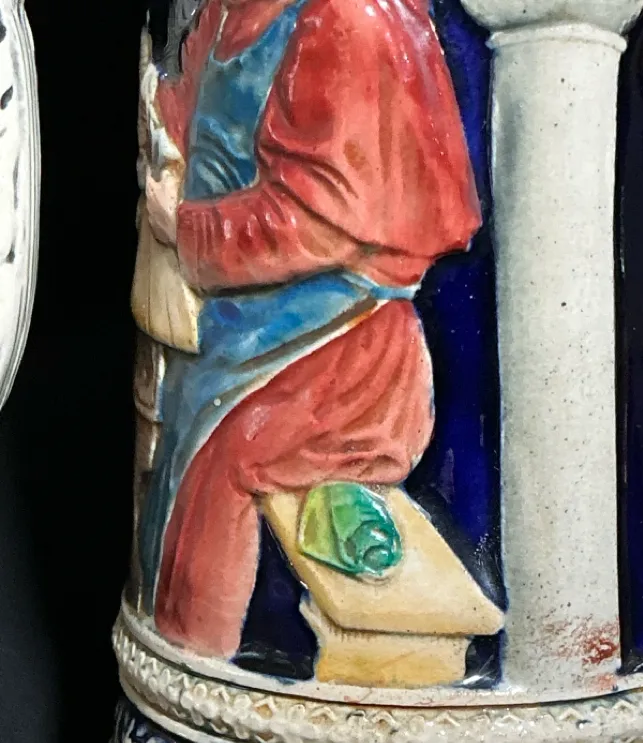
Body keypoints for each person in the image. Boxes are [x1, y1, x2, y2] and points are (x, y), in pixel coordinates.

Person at [140, 0, 481, 659]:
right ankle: (178, 674)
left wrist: (185, 230)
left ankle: (203, 675)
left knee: (214, 464)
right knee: (180, 414)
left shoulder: (347, 19)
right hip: (242, 326)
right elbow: (196, 116)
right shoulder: (229, 11)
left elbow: (318, 220)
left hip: (345, 355)